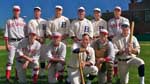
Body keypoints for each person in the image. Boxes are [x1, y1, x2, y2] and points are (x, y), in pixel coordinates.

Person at [4, 5, 26, 82]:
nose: (16, 12)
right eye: (14, 10)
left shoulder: (23, 21)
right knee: (10, 60)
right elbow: (6, 34)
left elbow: (25, 33)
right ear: (13, 11)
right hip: (12, 42)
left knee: (19, 60)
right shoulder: (8, 21)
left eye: (17, 10)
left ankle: (17, 76)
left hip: (21, 42)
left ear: (19, 11)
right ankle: (7, 77)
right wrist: (6, 44)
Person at [108, 6, 129, 77]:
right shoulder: (110, 21)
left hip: (123, 39)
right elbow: (110, 32)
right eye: (115, 11)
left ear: (120, 12)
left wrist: (121, 37)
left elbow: (126, 30)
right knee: (114, 55)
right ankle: (115, 72)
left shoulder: (125, 20)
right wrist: (115, 39)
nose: (117, 12)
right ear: (114, 12)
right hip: (113, 39)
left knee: (123, 56)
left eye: (118, 11)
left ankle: (123, 71)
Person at [28, 6, 47, 77]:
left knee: (43, 59)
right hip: (34, 42)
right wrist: (39, 39)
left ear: (40, 12)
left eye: (38, 11)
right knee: (34, 58)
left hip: (43, 42)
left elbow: (45, 32)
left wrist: (44, 38)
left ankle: (42, 73)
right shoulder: (31, 21)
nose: (37, 12)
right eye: (35, 11)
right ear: (34, 12)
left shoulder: (44, 21)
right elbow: (31, 32)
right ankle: (34, 73)